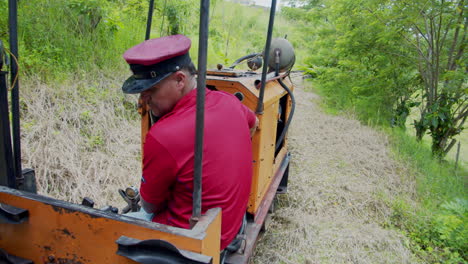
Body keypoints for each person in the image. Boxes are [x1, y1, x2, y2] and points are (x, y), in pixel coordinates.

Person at [121, 34, 258, 250]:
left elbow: (151, 204)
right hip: (229, 226)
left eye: (151, 90)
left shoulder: (163, 135)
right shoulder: (228, 101)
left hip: (189, 241)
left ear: (179, 80)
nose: (143, 98)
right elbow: (254, 122)